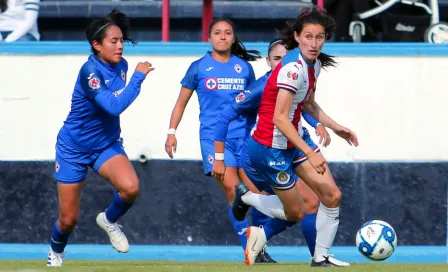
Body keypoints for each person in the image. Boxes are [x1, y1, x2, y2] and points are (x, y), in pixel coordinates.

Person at [232, 7, 358, 267]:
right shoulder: (292, 69)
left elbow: (308, 103)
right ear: (298, 37)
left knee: (332, 196)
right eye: (309, 37)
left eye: (320, 37)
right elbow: (279, 118)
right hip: (269, 147)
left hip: (293, 140)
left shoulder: (315, 64)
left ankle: (320, 258)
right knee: (296, 212)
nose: (314, 43)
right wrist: (310, 152)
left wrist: (335, 126)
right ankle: (245, 196)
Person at [46, 9, 154, 267]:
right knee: (68, 220)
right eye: (113, 41)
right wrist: (139, 78)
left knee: (130, 188)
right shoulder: (89, 72)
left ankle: (109, 220)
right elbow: (113, 106)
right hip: (73, 148)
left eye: (121, 41)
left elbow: (116, 104)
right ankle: (56, 253)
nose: (120, 46)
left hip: (106, 144)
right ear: (96, 45)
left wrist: (134, 76)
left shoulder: (123, 66)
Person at [164, 19, 277, 263]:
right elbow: (181, 103)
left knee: (260, 193)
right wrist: (172, 132)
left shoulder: (244, 68)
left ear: (233, 38)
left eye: (227, 33)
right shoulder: (198, 68)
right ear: (209, 38)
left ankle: (260, 247)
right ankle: (250, 248)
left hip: (245, 137)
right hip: (214, 140)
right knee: (235, 191)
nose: (223, 37)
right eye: (217, 33)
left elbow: (255, 101)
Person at [212, 38, 331, 265]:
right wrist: (219, 157)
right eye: (276, 59)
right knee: (305, 202)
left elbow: (301, 106)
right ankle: (316, 257)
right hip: (262, 154)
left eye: (285, 59)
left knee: (303, 205)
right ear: (268, 61)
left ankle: (306, 255)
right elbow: (225, 116)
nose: (282, 64)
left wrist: (318, 124)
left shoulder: (295, 79)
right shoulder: (262, 86)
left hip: (286, 151)